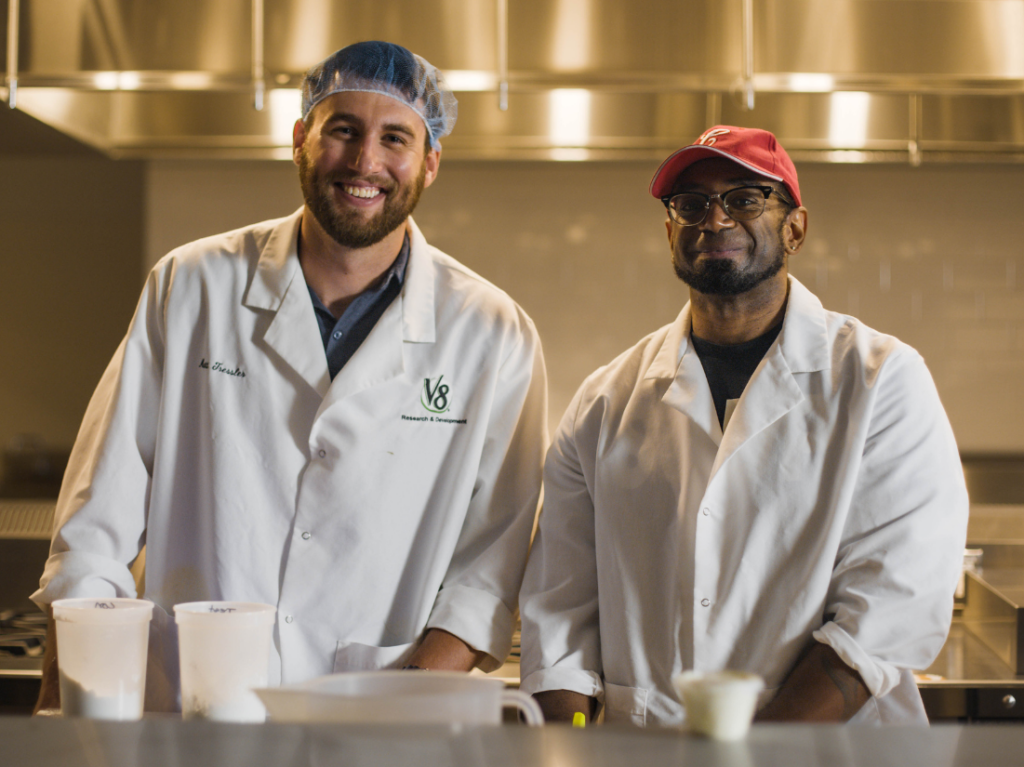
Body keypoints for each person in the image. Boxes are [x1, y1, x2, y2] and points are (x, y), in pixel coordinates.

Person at [33, 41, 547, 713]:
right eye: (343, 130)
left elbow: (487, 574)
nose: (365, 161)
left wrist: (392, 708)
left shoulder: (493, 333)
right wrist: (65, 699)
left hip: (382, 728)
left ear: (430, 162)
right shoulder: (191, 285)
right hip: (193, 713)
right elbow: (96, 523)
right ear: (300, 138)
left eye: (395, 137)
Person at [518, 125, 968, 726]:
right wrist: (566, 745)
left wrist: (759, 753)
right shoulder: (605, 402)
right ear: (671, 232)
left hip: (832, 751)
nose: (715, 219)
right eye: (691, 204)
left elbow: (890, 606)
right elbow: (561, 613)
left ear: (795, 229)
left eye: (745, 198)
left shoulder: (880, 379)